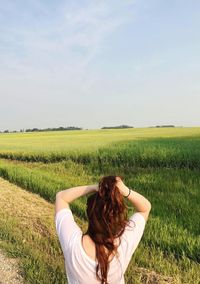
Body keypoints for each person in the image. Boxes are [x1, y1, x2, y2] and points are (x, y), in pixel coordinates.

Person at [55, 176, 151, 284]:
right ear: (117, 219)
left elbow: (61, 197)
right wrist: (124, 190)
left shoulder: (73, 245)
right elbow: (145, 208)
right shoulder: (124, 242)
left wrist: (95, 187)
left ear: (89, 213)